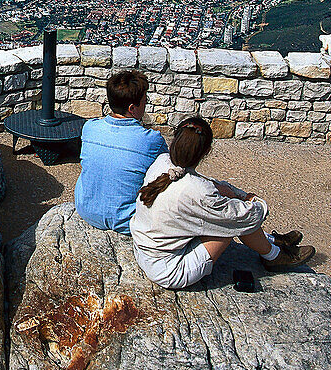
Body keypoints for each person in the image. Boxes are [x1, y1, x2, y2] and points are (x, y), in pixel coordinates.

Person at [130, 116, 315, 290]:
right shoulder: (199, 191)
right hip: (169, 270)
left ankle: (272, 241)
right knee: (231, 223)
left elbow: (202, 184)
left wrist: (229, 192)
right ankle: (273, 256)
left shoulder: (162, 162)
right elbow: (247, 215)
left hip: (145, 253)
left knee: (224, 211)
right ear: (207, 151)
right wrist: (252, 200)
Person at [74, 70, 168, 234]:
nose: (146, 105)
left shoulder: (90, 128)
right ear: (132, 108)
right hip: (126, 220)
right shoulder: (152, 140)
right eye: (144, 101)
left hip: (86, 210)